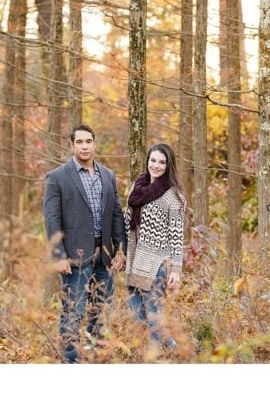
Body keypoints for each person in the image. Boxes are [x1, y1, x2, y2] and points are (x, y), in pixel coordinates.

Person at [44, 124, 127, 363]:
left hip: (105, 256)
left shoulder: (108, 175)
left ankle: (94, 358)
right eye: (79, 142)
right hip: (75, 256)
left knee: (100, 312)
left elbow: (116, 214)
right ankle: (70, 361)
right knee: (73, 312)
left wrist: (120, 250)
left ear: (94, 143)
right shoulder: (57, 177)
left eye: (88, 141)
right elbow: (52, 219)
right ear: (71, 145)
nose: (84, 146)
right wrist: (58, 254)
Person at [125, 143, 186, 355]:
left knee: (153, 316)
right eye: (153, 160)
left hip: (156, 263)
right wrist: (121, 253)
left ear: (168, 165)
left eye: (162, 162)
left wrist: (176, 270)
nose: (156, 165)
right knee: (136, 315)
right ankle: (170, 351)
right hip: (134, 261)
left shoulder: (173, 196)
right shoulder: (137, 187)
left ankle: (164, 355)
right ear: (147, 161)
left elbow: (177, 235)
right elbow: (128, 223)